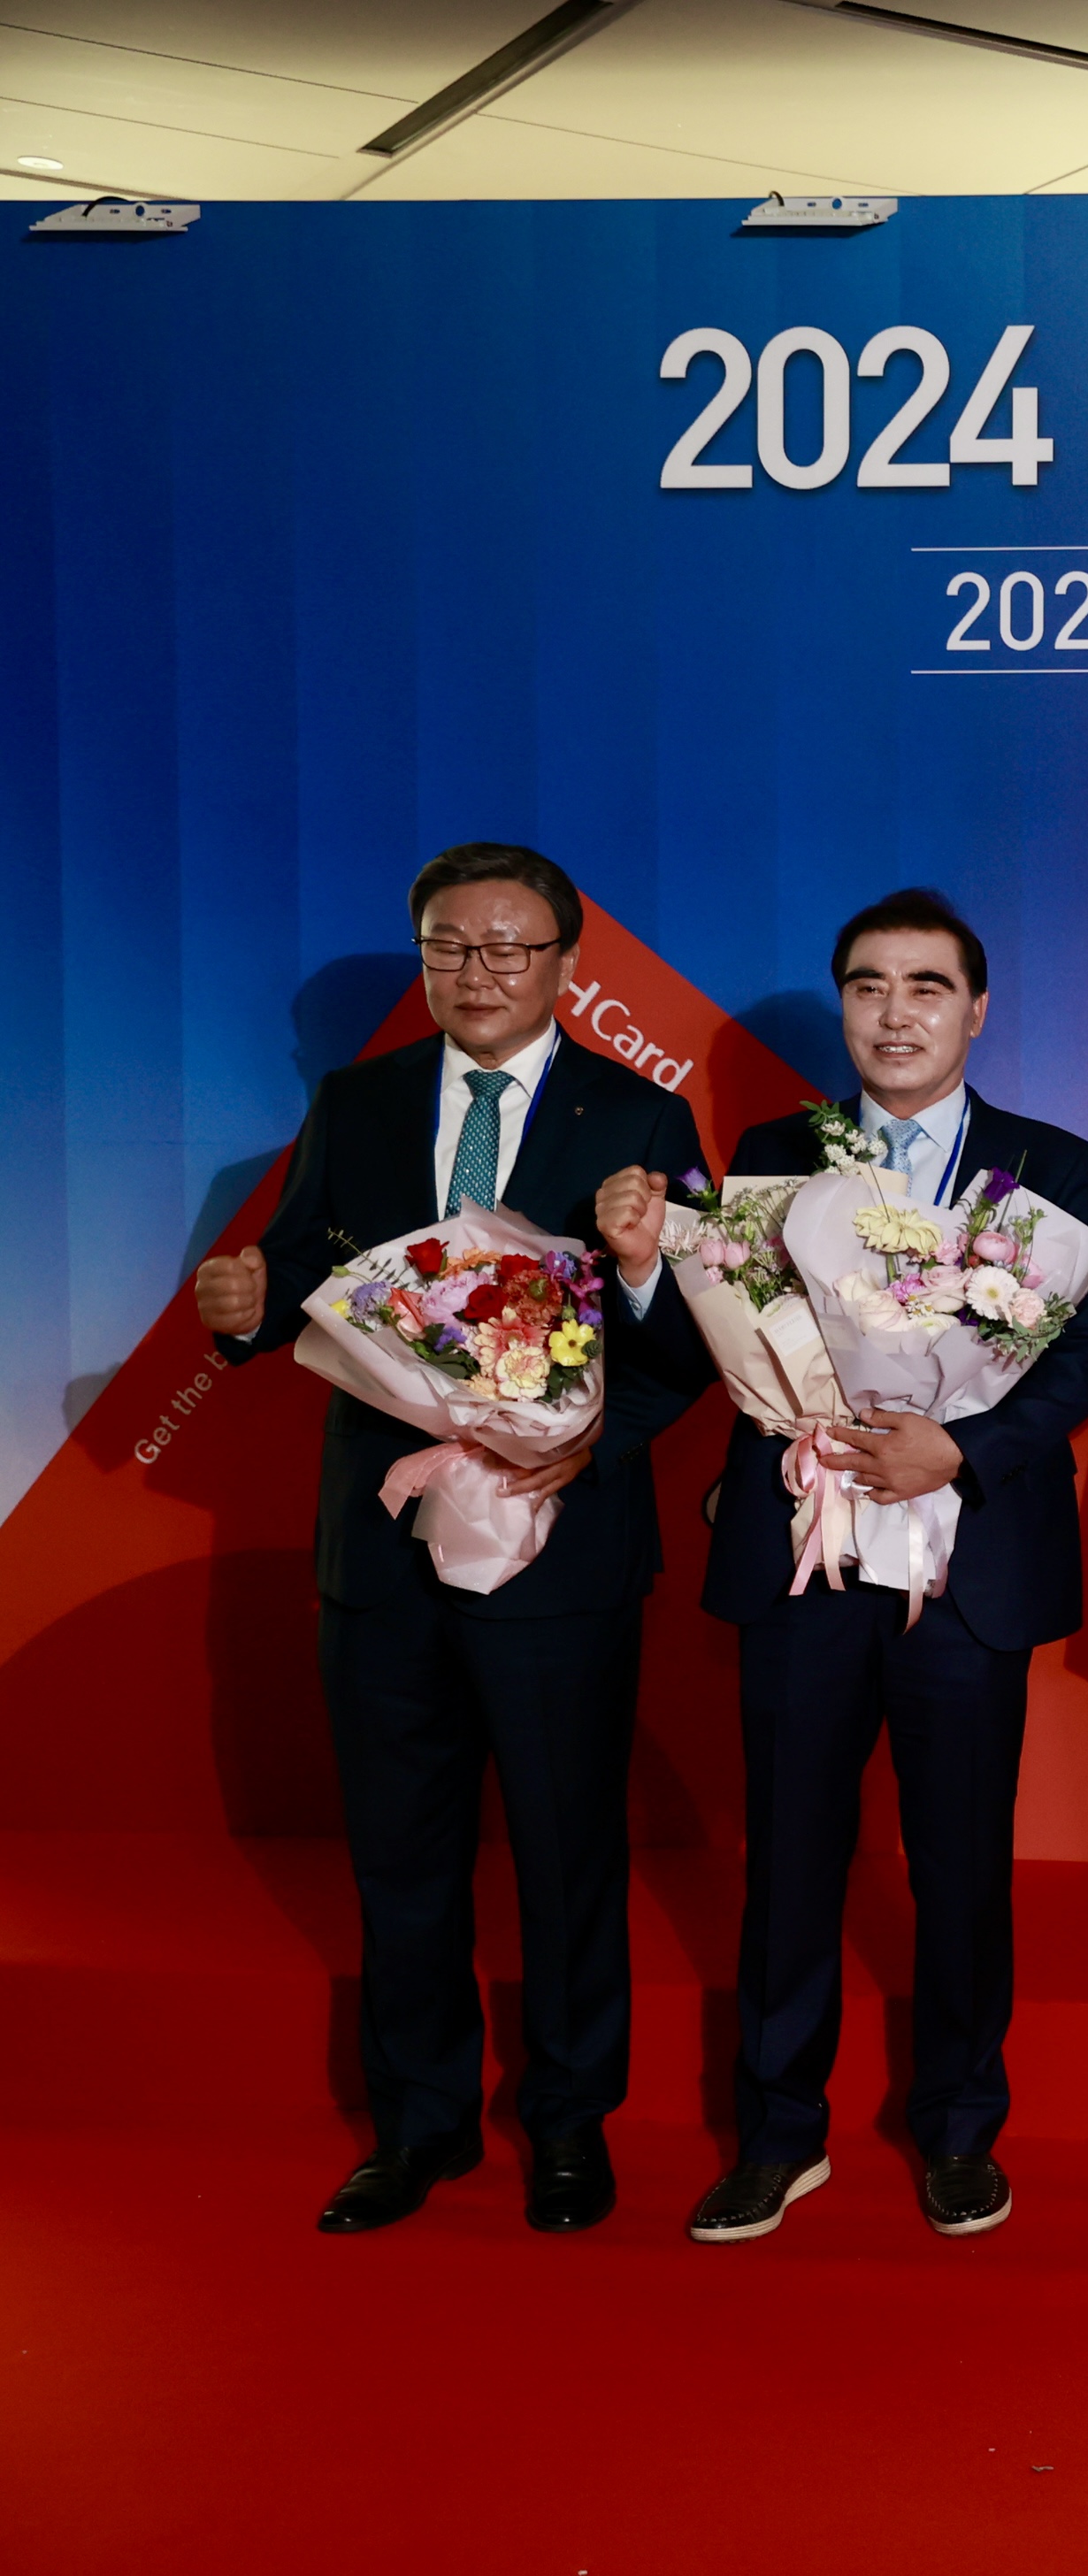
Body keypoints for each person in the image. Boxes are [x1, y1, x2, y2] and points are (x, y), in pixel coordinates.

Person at [191, 842, 708, 2235]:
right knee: (401, 1852)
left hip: (561, 1543)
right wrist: (244, 1312)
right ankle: (419, 2125)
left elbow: (697, 1338)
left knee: (566, 1850)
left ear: (566, 965)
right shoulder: (354, 1102)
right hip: (384, 1543)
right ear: (423, 959)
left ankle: (569, 2122)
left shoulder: (642, 1112)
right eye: (449, 949)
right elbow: (301, 1272)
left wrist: (591, 1426)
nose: (478, 974)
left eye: (509, 948)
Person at [682, 890, 1088, 2245]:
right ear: (843, 1006)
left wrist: (962, 1449)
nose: (895, 1011)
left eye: (926, 985)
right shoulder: (776, 1153)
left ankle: (958, 2129)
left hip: (968, 1562)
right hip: (807, 1550)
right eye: (868, 985)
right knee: (791, 1856)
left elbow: (1087, 1358)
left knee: (962, 1862)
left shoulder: (1048, 1162)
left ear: (976, 1009)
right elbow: (743, 1333)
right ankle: (778, 2135)